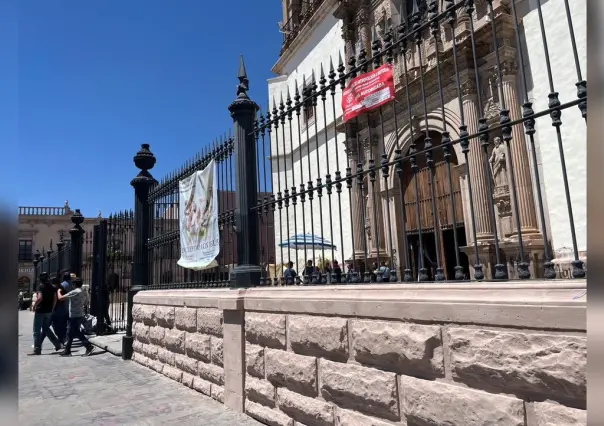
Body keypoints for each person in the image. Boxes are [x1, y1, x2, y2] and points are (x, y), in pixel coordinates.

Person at [57, 277, 94, 357]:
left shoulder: (74, 292)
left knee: (70, 332)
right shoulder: (83, 292)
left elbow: (60, 298)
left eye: (72, 284)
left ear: (74, 284)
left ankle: (88, 346)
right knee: (75, 332)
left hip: (74, 315)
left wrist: (58, 291)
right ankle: (67, 350)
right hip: (80, 314)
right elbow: (87, 302)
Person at [28, 273, 62, 356]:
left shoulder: (41, 286)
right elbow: (55, 299)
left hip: (40, 311)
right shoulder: (52, 287)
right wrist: (52, 308)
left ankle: (37, 349)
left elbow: (40, 298)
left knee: (36, 331)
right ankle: (57, 343)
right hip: (48, 311)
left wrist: (34, 305)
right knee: (46, 328)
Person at [51, 273, 71, 344]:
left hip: (58, 309)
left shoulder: (60, 286)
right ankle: (64, 338)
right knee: (64, 324)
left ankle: (62, 339)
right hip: (67, 307)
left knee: (55, 325)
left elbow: (56, 299)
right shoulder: (71, 285)